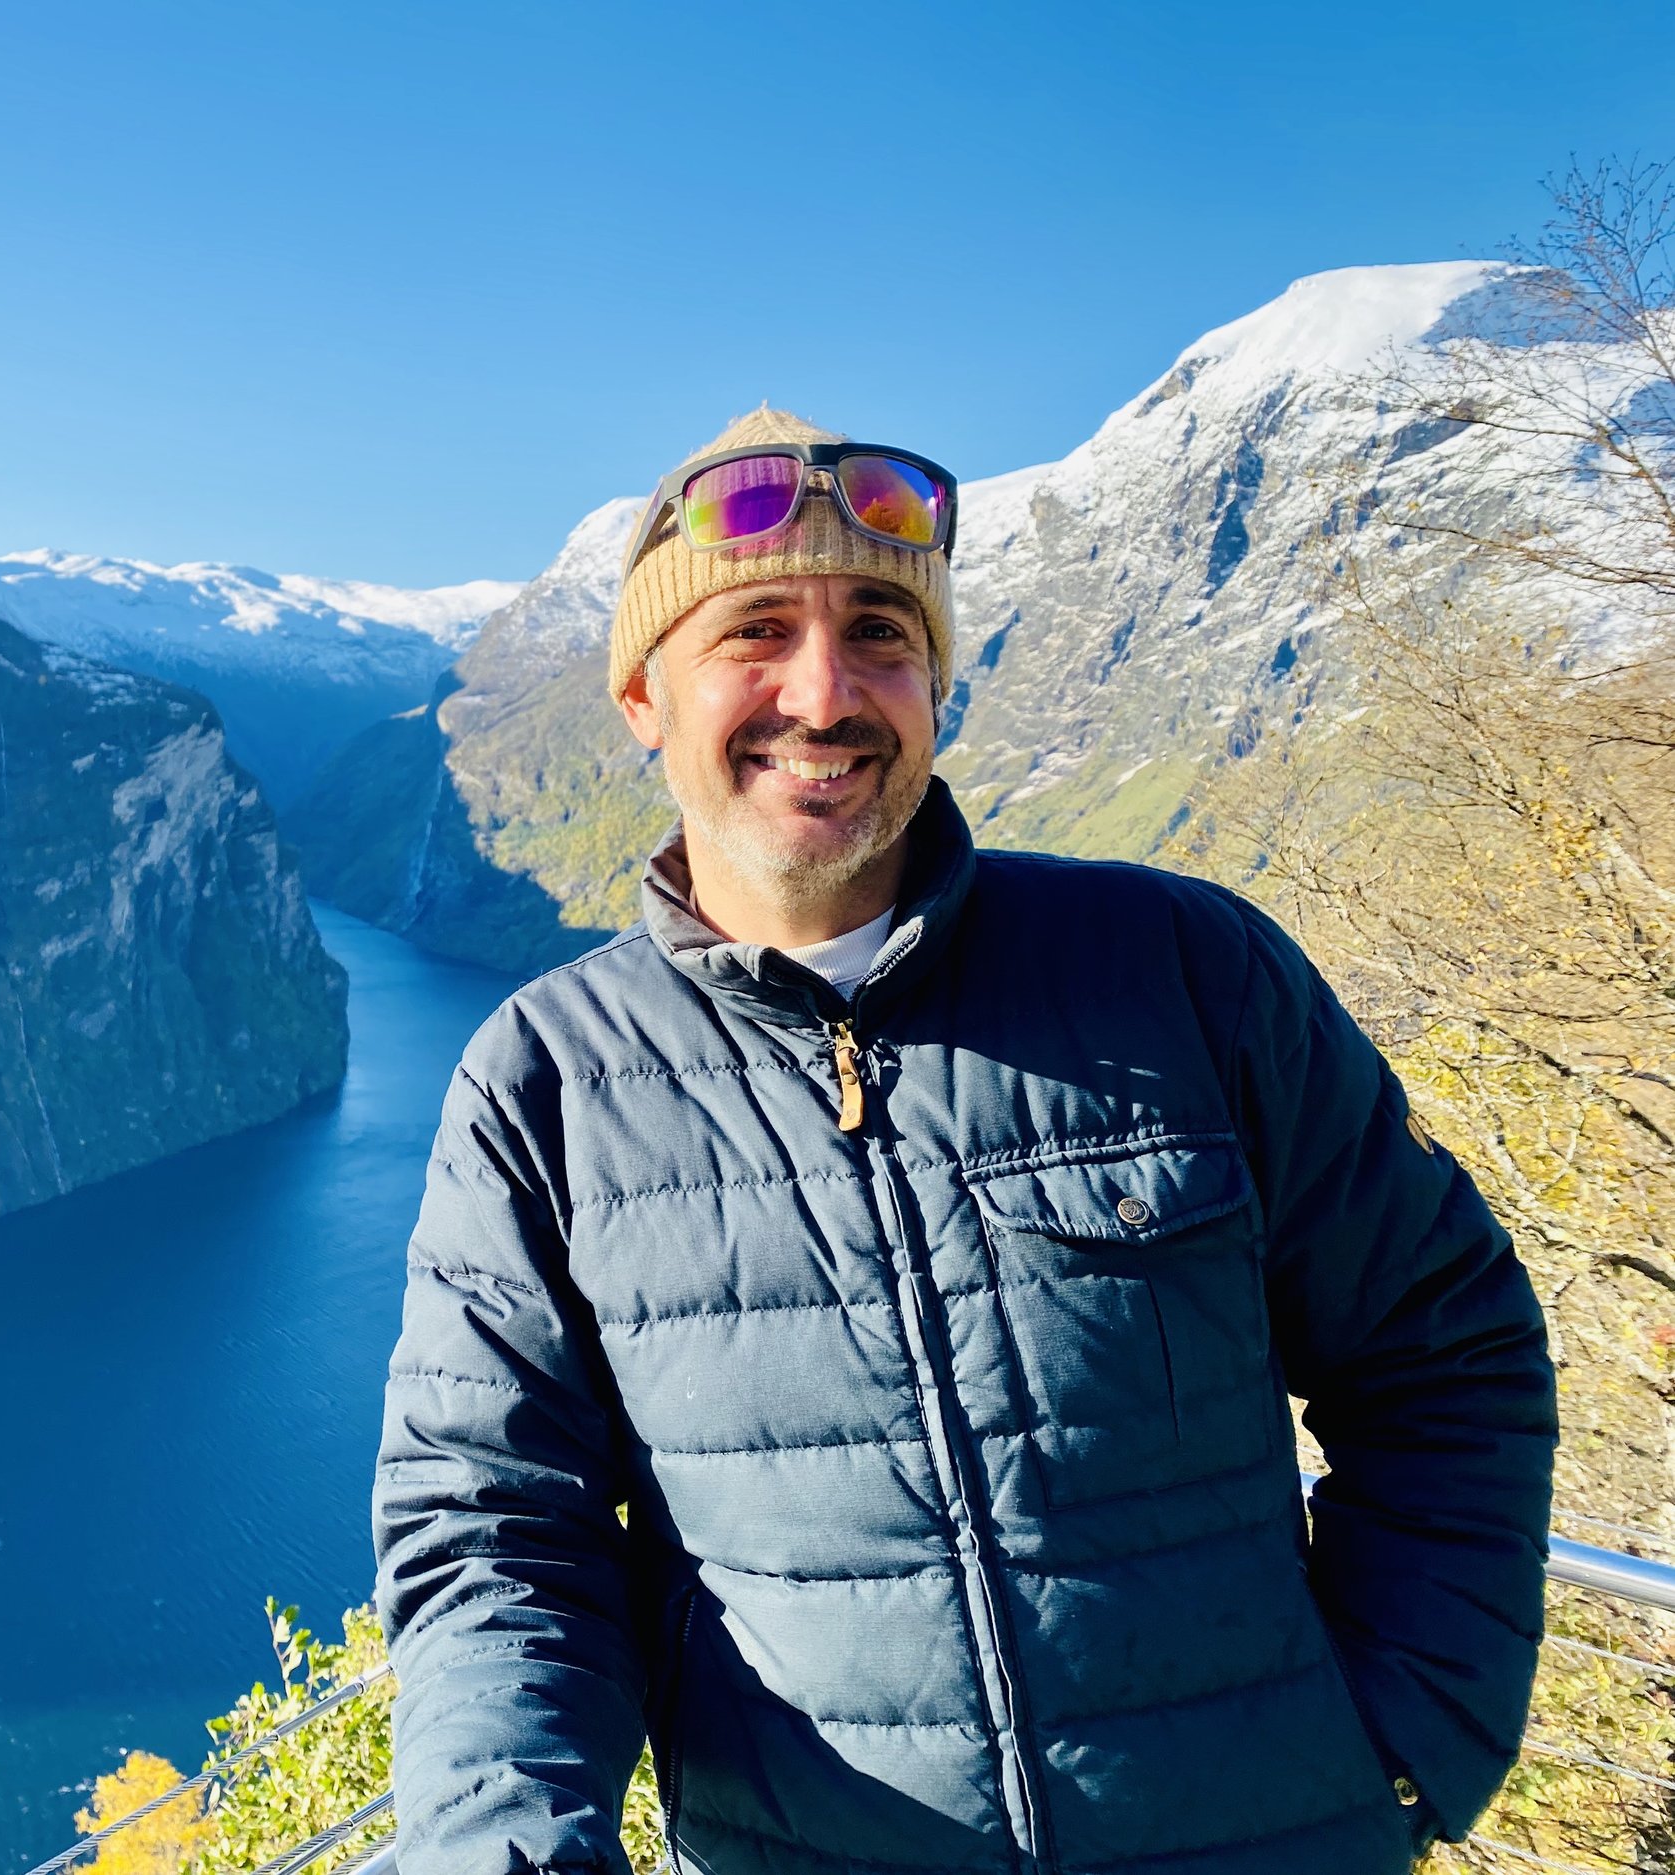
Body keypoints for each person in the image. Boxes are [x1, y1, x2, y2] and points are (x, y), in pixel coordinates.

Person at [371, 408, 1556, 1875]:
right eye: (754, 632)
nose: (825, 691)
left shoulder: (1184, 973)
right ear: (640, 698)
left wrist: (1404, 1746)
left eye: (879, 628)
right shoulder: (545, 1086)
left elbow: (1442, 1347)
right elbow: (495, 1537)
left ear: (934, 677)